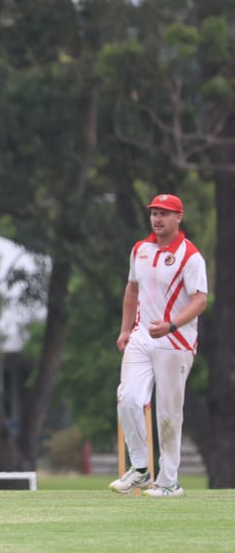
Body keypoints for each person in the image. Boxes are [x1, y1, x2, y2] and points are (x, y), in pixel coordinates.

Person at [110, 194, 208, 497]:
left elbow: (200, 300)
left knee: (168, 414)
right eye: (154, 213)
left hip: (175, 340)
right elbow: (132, 289)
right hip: (141, 336)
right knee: (128, 398)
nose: (158, 219)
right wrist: (125, 330)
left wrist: (172, 325)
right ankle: (140, 468)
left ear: (179, 217)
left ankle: (168, 482)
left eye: (164, 213)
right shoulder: (140, 249)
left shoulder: (190, 256)